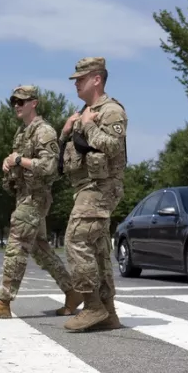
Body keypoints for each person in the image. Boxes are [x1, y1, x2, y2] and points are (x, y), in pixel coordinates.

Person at [0, 85, 82, 319]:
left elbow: (50, 167)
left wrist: (20, 159)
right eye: (14, 102)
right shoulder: (22, 133)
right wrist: (9, 161)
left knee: (16, 246)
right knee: (40, 250)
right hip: (24, 195)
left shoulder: (44, 131)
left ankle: (3, 302)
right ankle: (72, 291)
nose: (16, 106)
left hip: (35, 198)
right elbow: (19, 160)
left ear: (34, 103)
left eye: (21, 102)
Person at [59, 57, 127, 332]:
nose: (76, 83)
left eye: (81, 78)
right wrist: (65, 133)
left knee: (75, 240)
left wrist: (87, 125)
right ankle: (108, 312)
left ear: (97, 79)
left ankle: (92, 305)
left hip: (101, 187)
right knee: (98, 251)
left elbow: (111, 146)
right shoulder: (84, 111)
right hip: (85, 188)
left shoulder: (111, 111)